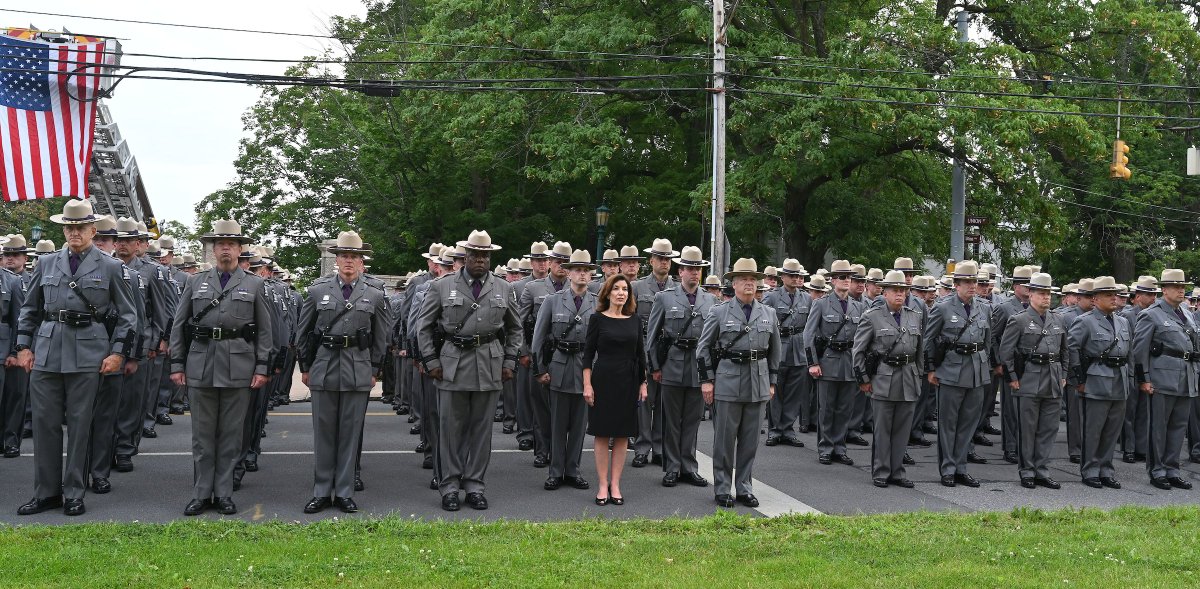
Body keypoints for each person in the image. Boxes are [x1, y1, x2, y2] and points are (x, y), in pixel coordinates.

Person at [15, 199, 137, 516]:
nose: (74, 232)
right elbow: (30, 309)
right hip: (47, 350)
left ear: (92, 230)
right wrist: (23, 347)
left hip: (89, 352)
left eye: (80, 227)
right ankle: (46, 493)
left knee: (81, 426)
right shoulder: (45, 263)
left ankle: (73, 493)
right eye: (69, 227)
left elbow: (128, 316)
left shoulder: (111, 267)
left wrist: (117, 352)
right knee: (44, 425)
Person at [169, 219, 274, 516]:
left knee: (230, 436)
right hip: (200, 364)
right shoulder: (195, 282)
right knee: (202, 436)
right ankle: (202, 493)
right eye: (220, 244)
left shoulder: (254, 284)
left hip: (239, 366)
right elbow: (178, 326)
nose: (225, 249)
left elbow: (265, 332)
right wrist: (177, 363)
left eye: (231, 244)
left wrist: (262, 367)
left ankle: (224, 493)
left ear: (240, 250)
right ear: (214, 250)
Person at [416, 230, 522, 512]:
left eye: (485, 255)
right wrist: (431, 361)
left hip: (489, 365)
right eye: (474, 254)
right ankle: (449, 486)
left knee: (481, 431)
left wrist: (510, 361)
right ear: (465, 256)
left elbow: (515, 328)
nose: (479, 259)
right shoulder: (442, 286)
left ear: (490, 258)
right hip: (452, 365)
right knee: (451, 430)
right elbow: (423, 327)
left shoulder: (503, 288)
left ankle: (475, 485)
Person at [297, 231, 389, 514]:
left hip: (358, 369)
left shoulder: (374, 294)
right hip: (324, 367)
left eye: (354, 256)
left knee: (350, 434)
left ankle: (345, 491)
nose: (349, 261)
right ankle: (322, 491)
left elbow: (380, 337)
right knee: (323, 434)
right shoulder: (316, 291)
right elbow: (303, 333)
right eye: (344, 256)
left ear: (362, 261)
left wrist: (375, 370)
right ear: (336, 260)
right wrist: (306, 367)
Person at [698, 258, 780, 508]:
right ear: (733, 284)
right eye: (743, 279)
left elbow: (775, 351)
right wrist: (707, 381)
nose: (749, 284)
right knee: (724, 439)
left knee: (749, 440)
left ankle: (744, 487)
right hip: (728, 381)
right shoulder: (719, 312)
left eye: (753, 280)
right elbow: (703, 349)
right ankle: (722, 487)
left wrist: (772, 381)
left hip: (758, 382)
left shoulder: (768, 313)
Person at [645, 246, 716, 488]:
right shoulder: (664, 297)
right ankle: (672, 467)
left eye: (698, 270)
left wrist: (710, 373)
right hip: (672, 365)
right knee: (671, 421)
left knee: (693, 421)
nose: (695, 274)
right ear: (681, 270)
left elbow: (714, 341)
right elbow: (652, 337)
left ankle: (689, 467)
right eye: (690, 269)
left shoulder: (711, 300)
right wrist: (655, 366)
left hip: (697, 367)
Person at [532, 250, 598, 492]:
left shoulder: (597, 302)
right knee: (557, 423)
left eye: (586, 270)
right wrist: (539, 370)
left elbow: (600, 342)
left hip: (585, 368)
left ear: (591, 275)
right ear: (568, 272)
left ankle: (573, 470)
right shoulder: (552, 300)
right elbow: (538, 338)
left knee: (580, 425)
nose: (582, 274)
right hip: (559, 366)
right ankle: (555, 471)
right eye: (578, 270)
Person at [924, 260, 993, 488]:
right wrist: (932, 369)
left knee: (968, 424)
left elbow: (987, 341)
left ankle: (961, 467)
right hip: (951, 370)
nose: (972, 286)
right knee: (948, 424)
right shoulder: (943, 307)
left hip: (976, 370)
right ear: (957, 284)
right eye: (967, 282)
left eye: (974, 281)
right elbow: (928, 341)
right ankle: (948, 469)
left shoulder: (984, 308)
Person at [852, 270, 923, 488]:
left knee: (902, 429)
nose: (900, 294)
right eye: (895, 290)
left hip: (908, 378)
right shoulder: (872, 316)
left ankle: (897, 471)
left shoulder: (914, 315)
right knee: (883, 429)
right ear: (885, 292)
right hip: (883, 378)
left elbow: (920, 350)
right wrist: (863, 379)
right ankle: (881, 471)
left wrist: (919, 376)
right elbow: (859, 351)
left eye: (903, 290)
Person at [998, 272, 1066, 489]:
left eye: (1049, 294)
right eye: (1042, 293)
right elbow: (1006, 352)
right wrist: (1012, 378)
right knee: (1027, 429)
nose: (1046, 298)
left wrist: (1064, 375)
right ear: (1031, 294)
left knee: (1048, 428)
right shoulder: (1018, 320)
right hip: (1029, 378)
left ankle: (1041, 470)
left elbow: (1065, 351)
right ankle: (1027, 470)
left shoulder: (1058, 319)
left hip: (1053, 378)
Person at [583, 274, 646, 506]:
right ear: (607, 293)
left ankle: (615, 484)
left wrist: (643, 383)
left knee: (622, 435)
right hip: (603, 380)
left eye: (625, 289)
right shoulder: (597, 319)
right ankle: (602, 484)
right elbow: (588, 355)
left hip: (628, 381)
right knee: (601, 433)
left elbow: (641, 354)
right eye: (617, 289)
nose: (621, 293)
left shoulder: (635, 320)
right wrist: (587, 385)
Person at [1132, 268, 1197, 491]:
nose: (1181, 290)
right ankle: (1157, 470)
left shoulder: (1186, 313)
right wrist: (1144, 379)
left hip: (1186, 377)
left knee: (1178, 427)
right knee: (1158, 427)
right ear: (1164, 289)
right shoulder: (1151, 313)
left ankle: (1172, 469)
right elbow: (1139, 350)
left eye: (1183, 287)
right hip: (1161, 378)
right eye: (1177, 287)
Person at [1067, 276, 1131, 490]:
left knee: (1112, 430)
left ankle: (1106, 470)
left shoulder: (1123, 321)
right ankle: (1090, 470)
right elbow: (1072, 350)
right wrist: (1079, 380)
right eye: (1108, 295)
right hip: (1095, 381)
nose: (1114, 298)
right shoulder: (1085, 321)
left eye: (1115, 294)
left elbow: (1128, 353)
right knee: (1093, 430)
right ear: (1095, 298)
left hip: (1119, 380)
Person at [803, 260, 863, 466]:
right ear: (833, 280)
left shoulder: (858, 306)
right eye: (843, 277)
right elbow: (808, 335)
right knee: (827, 408)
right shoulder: (821, 303)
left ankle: (840, 447)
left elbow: (862, 338)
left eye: (850, 277)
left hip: (849, 362)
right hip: (828, 360)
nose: (847, 281)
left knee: (845, 409)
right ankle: (826, 447)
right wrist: (812, 362)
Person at [518, 241, 572, 469]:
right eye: (558, 261)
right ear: (550, 262)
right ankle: (542, 450)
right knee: (541, 407)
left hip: (567, 356)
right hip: (540, 354)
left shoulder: (578, 287)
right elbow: (519, 323)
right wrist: (524, 352)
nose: (561, 266)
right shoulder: (533, 288)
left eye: (566, 262)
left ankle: (562, 452)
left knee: (565, 408)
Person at [631, 238, 679, 468]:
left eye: (668, 259)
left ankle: (659, 448)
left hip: (669, 352)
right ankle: (642, 446)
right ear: (651, 261)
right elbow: (630, 321)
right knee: (644, 401)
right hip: (643, 347)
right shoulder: (637, 287)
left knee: (663, 402)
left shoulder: (678, 288)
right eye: (660, 258)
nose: (664, 262)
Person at [763, 258, 812, 446]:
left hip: (798, 348)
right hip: (779, 346)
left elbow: (809, 326)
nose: (794, 278)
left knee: (794, 392)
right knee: (777, 390)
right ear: (782, 277)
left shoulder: (806, 298)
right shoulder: (772, 297)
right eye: (791, 275)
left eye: (797, 275)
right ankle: (775, 430)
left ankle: (788, 429)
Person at [1121, 276, 1158, 463]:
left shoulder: (1157, 314)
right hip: (1132, 368)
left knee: (1144, 410)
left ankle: (1140, 447)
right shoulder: (1128, 315)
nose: (1153, 298)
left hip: (1148, 368)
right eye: (1149, 294)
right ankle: (1128, 447)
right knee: (1130, 411)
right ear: (1138, 295)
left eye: (1155, 294)